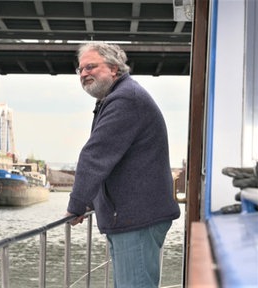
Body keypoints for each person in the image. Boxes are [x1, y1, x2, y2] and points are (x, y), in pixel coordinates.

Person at [66, 42, 180, 288]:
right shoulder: (118, 97)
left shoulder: (125, 99)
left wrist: (76, 206)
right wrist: (87, 201)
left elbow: (94, 156)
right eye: (81, 69)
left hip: (136, 218)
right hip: (133, 217)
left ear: (114, 69)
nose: (84, 73)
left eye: (91, 66)